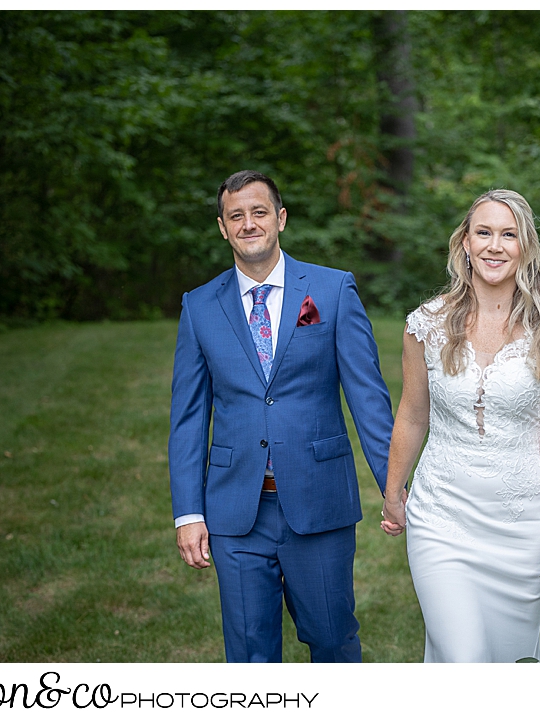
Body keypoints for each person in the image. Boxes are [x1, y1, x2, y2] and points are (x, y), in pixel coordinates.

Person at [168, 170, 394, 663]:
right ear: (223, 229)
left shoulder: (333, 291)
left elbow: (368, 400)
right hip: (235, 511)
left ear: (281, 219)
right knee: (250, 653)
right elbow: (188, 418)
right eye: (236, 216)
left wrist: (394, 488)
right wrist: (189, 513)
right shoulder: (200, 306)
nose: (249, 224)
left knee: (333, 640)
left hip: (320, 501)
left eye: (259, 212)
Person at [380, 189, 540, 663]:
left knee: (511, 663)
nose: (494, 246)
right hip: (442, 516)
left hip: (523, 530)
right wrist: (394, 491)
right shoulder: (426, 325)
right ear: (465, 241)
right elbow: (413, 414)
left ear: (525, 247)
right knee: (462, 656)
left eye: (509, 235)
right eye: (483, 232)